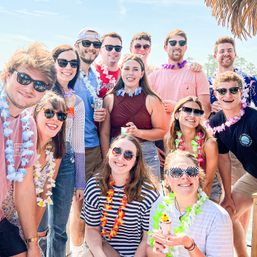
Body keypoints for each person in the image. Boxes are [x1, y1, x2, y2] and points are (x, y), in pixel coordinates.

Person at [0, 43, 56, 257]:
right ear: (7, 74)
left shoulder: (27, 125)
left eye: (40, 85)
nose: (30, 87)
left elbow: (23, 186)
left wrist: (32, 243)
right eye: (24, 78)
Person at [39, 45, 85, 257]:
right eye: (63, 62)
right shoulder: (42, 92)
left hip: (66, 161)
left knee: (59, 228)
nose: (69, 67)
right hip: (40, 158)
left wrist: (80, 181)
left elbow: (77, 143)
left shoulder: (77, 101)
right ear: (53, 63)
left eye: (73, 63)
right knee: (39, 227)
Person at [81, 134, 159, 257]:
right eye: (116, 151)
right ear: (109, 153)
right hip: (107, 251)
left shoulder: (147, 192)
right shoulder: (94, 186)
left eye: (128, 155)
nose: (121, 158)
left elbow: (147, 239)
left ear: (135, 161)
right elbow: (91, 229)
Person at [209, 36, 257, 232]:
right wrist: (227, 194)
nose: (228, 95)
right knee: (226, 214)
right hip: (250, 170)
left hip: (250, 158)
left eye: (233, 90)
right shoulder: (216, 121)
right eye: (222, 91)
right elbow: (223, 159)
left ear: (241, 92)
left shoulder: (253, 116)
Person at [147, 150, 233, 257]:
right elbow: (149, 248)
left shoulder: (218, 216)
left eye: (191, 171)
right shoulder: (158, 206)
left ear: (198, 176)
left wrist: (189, 245)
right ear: (167, 179)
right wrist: (157, 252)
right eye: (176, 172)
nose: (184, 177)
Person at [100, 54, 167, 179]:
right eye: (127, 69)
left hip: (146, 155)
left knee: (149, 196)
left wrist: (138, 133)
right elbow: (104, 133)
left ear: (141, 74)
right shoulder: (109, 99)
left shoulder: (152, 99)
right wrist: (107, 159)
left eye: (135, 69)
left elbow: (162, 131)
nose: (130, 73)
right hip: (117, 155)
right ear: (121, 71)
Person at [74, 27, 106, 255]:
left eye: (96, 45)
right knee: (77, 202)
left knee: (89, 204)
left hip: (92, 146)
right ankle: (76, 250)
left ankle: (85, 250)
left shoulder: (95, 76)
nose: (91, 48)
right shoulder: (68, 70)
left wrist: (99, 115)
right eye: (86, 43)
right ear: (77, 44)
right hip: (71, 146)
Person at [165, 96, 221, 202]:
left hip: (206, 189)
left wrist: (197, 205)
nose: (192, 115)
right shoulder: (170, 139)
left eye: (197, 112)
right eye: (187, 110)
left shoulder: (209, 144)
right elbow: (169, 172)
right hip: (181, 186)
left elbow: (209, 181)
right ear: (176, 114)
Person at [148, 29, 211, 121]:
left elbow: (206, 111)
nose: (177, 46)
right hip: (161, 134)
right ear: (165, 47)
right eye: (173, 43)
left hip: (188, 133)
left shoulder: (197, 73)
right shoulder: (153, 77)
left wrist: (178, 108)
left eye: (181, 43)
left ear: (185, 47)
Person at [95, 32, 123, 98]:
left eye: (117, 48)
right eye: (109, 47)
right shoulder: (93, 71)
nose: (113, 51)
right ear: (100, 50)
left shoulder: (125, 74)